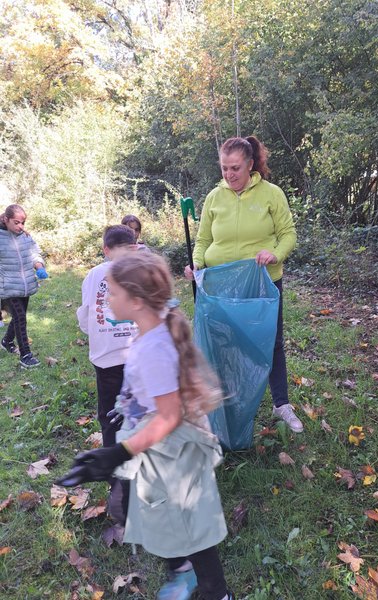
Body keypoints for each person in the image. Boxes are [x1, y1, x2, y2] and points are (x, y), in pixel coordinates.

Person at [57, 251, 233, 600]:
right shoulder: (148, 329)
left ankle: (216, 592)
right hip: (154, 442)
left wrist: (119, 453)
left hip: (173, 450)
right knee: (145, 509)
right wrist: (126, 406)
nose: (108, 298)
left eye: (113, 292)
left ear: (136, 301)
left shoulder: (155, 346)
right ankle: (182, 569)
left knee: (188, 523)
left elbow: (168, 415)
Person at [184, 136, 303, 433]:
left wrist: (275, 254)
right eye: (224, 168)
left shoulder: (271, 194)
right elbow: (203, 240)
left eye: (235, 168)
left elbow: (288, 234)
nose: (229, 174)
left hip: (263, 282)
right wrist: (196, 263)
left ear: (250, 165)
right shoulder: (214, 197)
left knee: (271, 342)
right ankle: (223, 407)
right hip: (220, 283)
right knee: (222, 343)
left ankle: (281, 403)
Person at [76, 224, 138, 524]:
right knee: (138, 411)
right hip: (137, 356)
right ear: (135, 248)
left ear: (106, 250)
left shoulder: (93, 275)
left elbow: (86, 316)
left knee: (111, 416)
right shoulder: (140, 272)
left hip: (107, 360)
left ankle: (117, 479)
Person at [0, 204, 48, 367]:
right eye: (16, 222)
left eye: (23, 223)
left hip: (26, 284)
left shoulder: (25, 236)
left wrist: (39, 266)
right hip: (8, 287)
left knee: (18, 317)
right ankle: (26, 355)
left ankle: (7, 341)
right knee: (20, 317)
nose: (20, 226)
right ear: (6, 219)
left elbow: (35, 254)